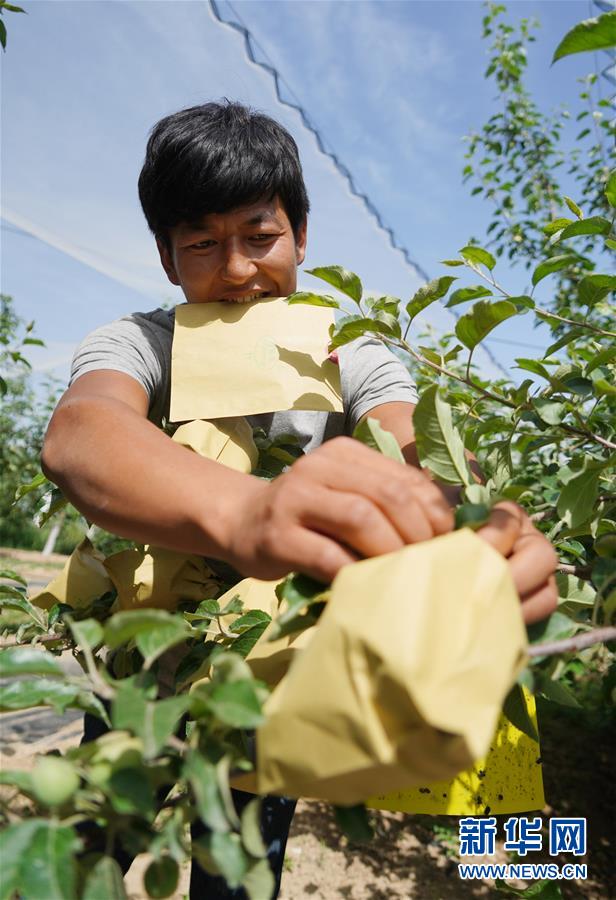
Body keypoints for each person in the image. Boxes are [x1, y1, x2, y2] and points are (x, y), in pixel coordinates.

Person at [41, 100, 557, 898]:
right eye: (204, 243)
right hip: (137, 670)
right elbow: (82, 431)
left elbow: (414, 443)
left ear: (302, 236)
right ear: (167, 256)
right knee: (94, 842)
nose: (239, 268)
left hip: (267, 676)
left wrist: (473, 526)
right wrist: (248, 511)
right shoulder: (144, 342)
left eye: (261, 235)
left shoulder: (350, 353)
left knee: (239, 870)